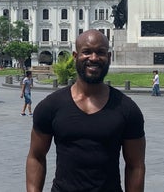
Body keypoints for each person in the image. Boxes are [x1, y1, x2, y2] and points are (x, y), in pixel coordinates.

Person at [26, 29, 146, 192]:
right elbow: (36, 156)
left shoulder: (127, 109)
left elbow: (135, 166)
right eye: (87, 52)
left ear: (109, 58)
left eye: (100, 52)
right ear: (75, 56)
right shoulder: (51, 106)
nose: (94, 58)